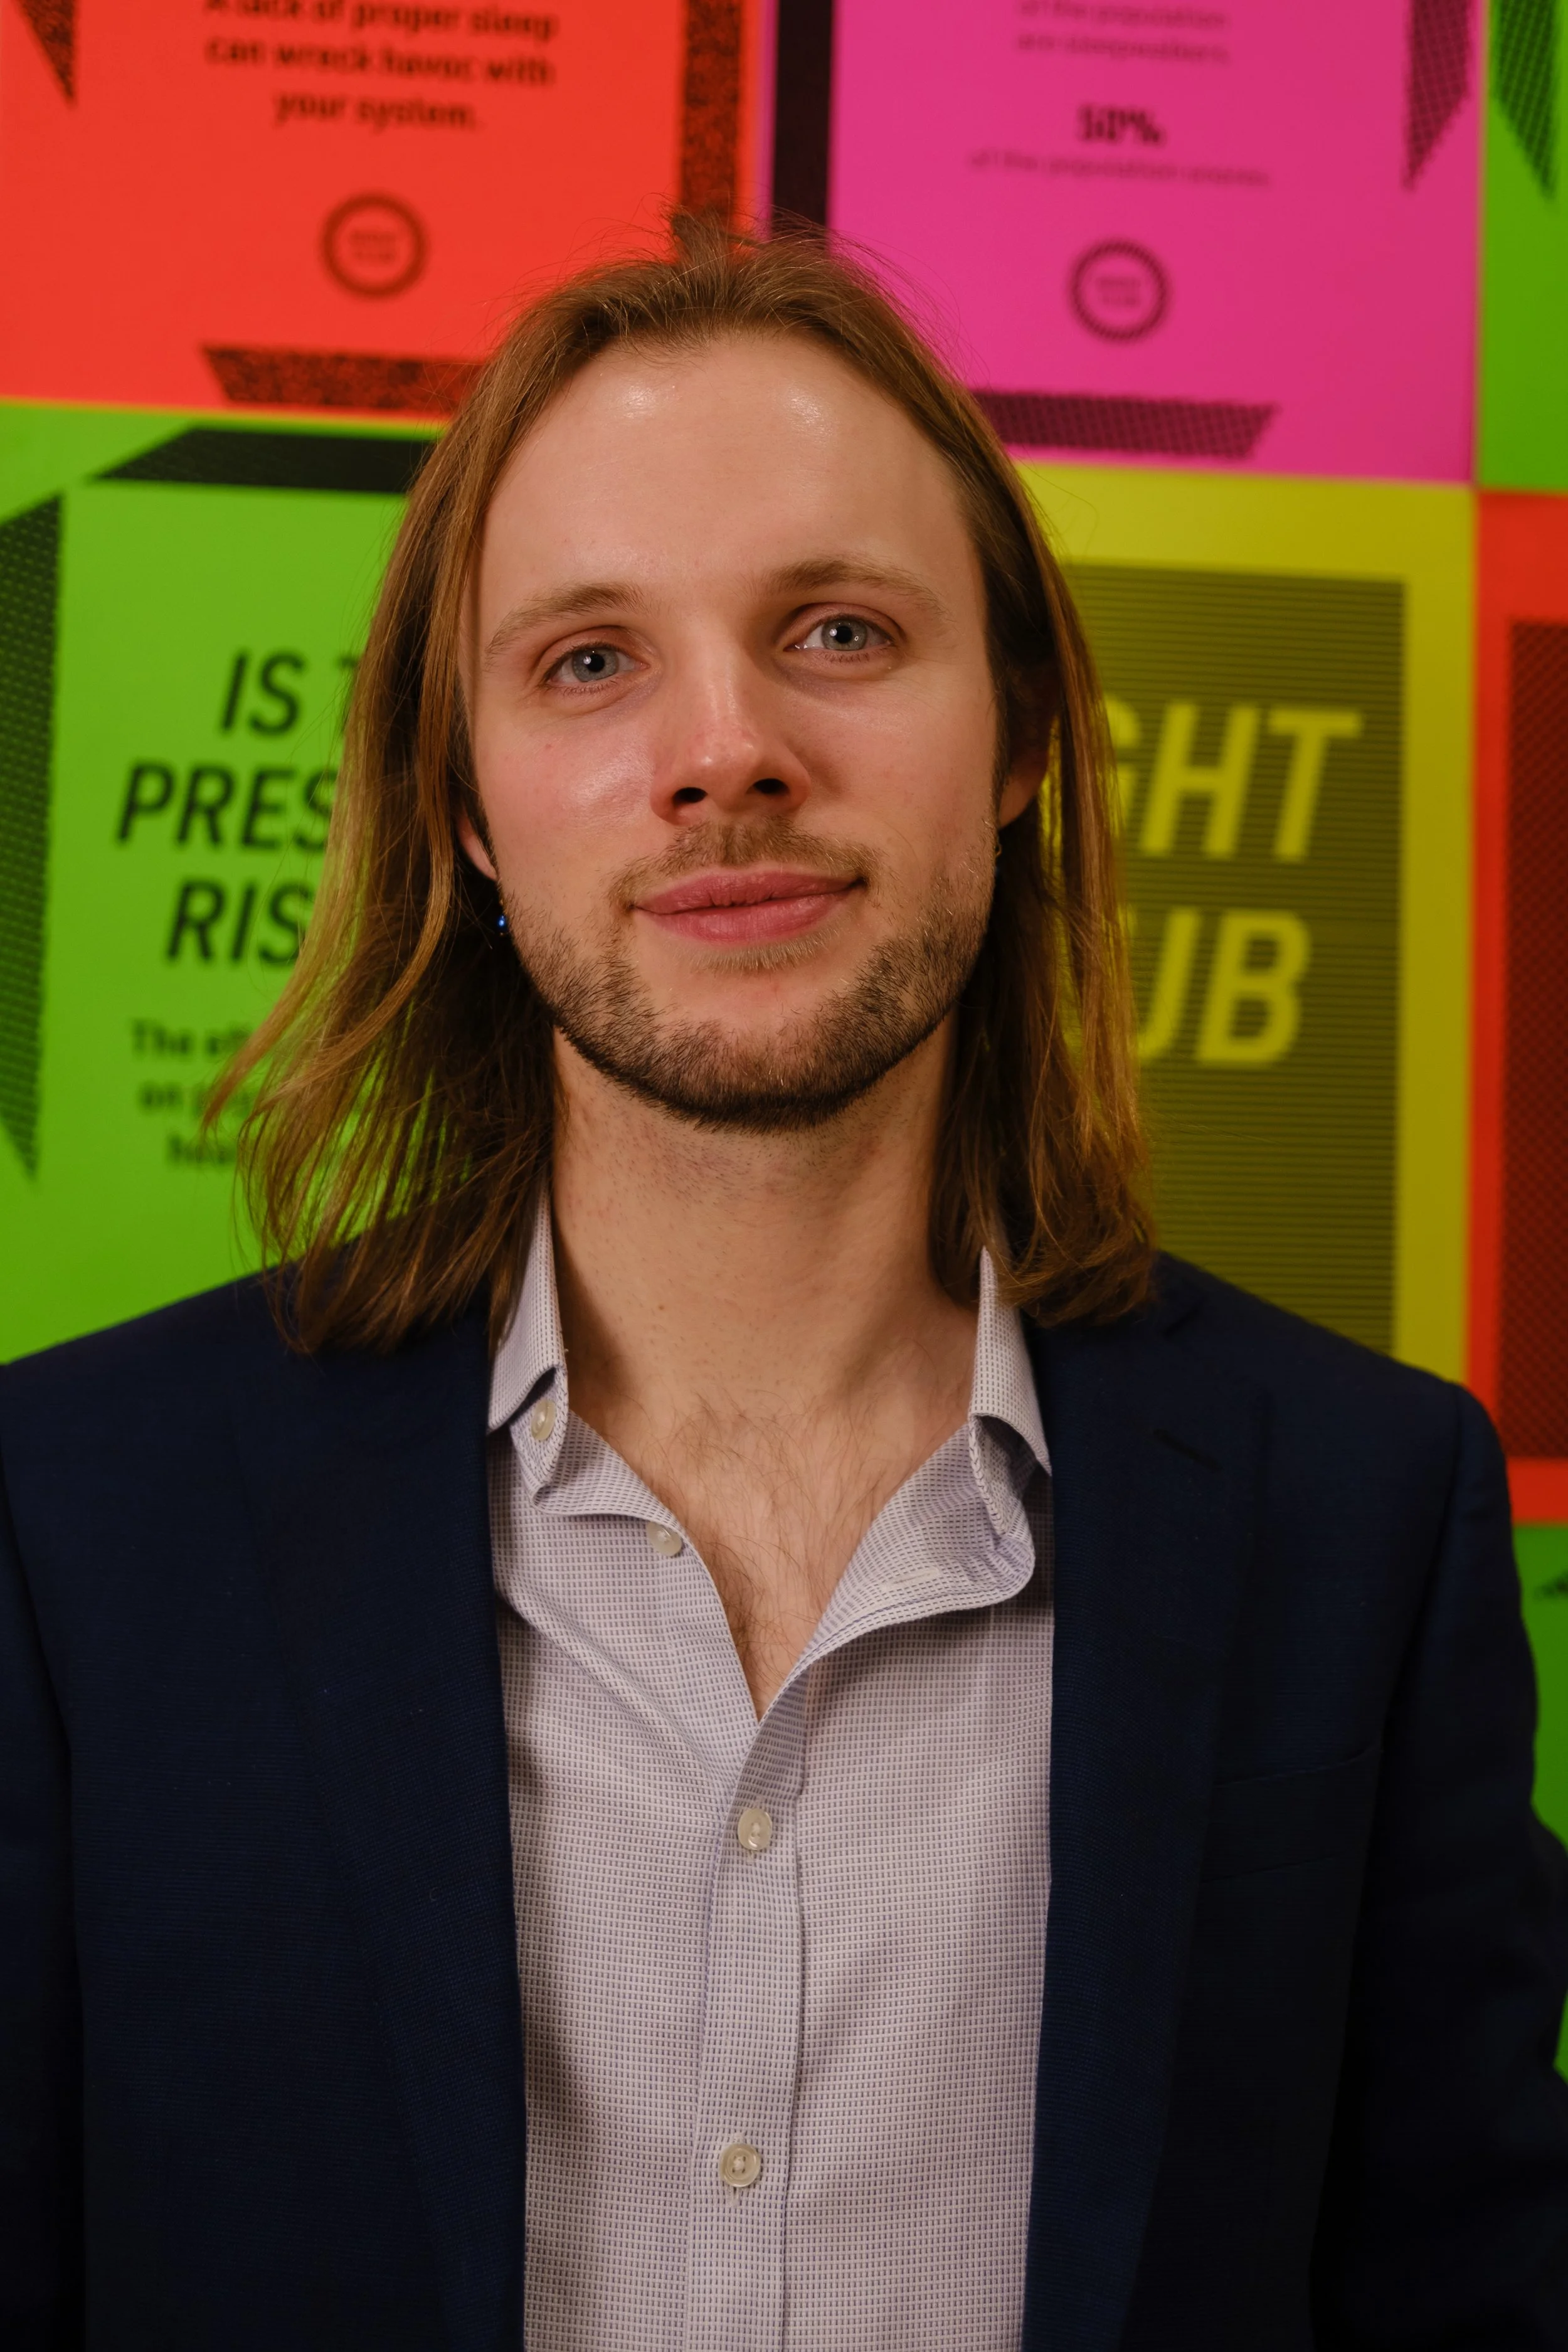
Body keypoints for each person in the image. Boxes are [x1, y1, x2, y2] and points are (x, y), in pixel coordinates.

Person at [2, 217, 1565, 2352]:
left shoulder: (1362, 1515)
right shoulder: (75, 1516)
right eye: (587, 661)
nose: (723, 749)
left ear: (1015, 732)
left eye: (836, 630)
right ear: (460, 800)